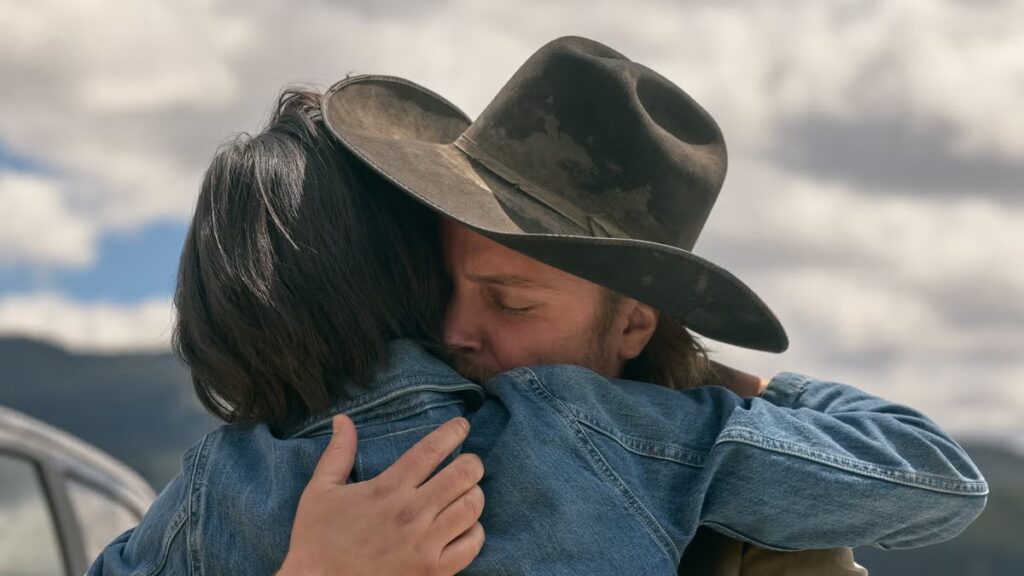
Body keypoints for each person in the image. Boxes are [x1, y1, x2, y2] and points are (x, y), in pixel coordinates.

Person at [88, 38, 986, 576]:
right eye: (445, 282)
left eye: (510, 301)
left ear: (635, 321)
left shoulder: (233, 480)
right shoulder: (643, 437)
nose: (451, 332)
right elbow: (932, 480)